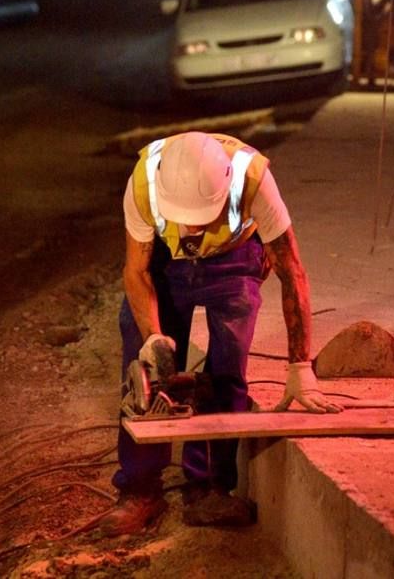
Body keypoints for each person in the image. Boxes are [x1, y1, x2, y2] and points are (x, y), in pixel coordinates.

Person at [100, 130, 340, 536]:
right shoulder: (143, 182)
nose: (192, 229)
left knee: (228, 367)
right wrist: (154, 338)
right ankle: (140, 489)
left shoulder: (253, 178)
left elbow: (292, 272)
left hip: (233, 256)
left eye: (200, 218)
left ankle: (207, 486)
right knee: (144, 369)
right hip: (164, 261)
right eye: (185, 218)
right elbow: (136, 271)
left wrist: (301, 366)